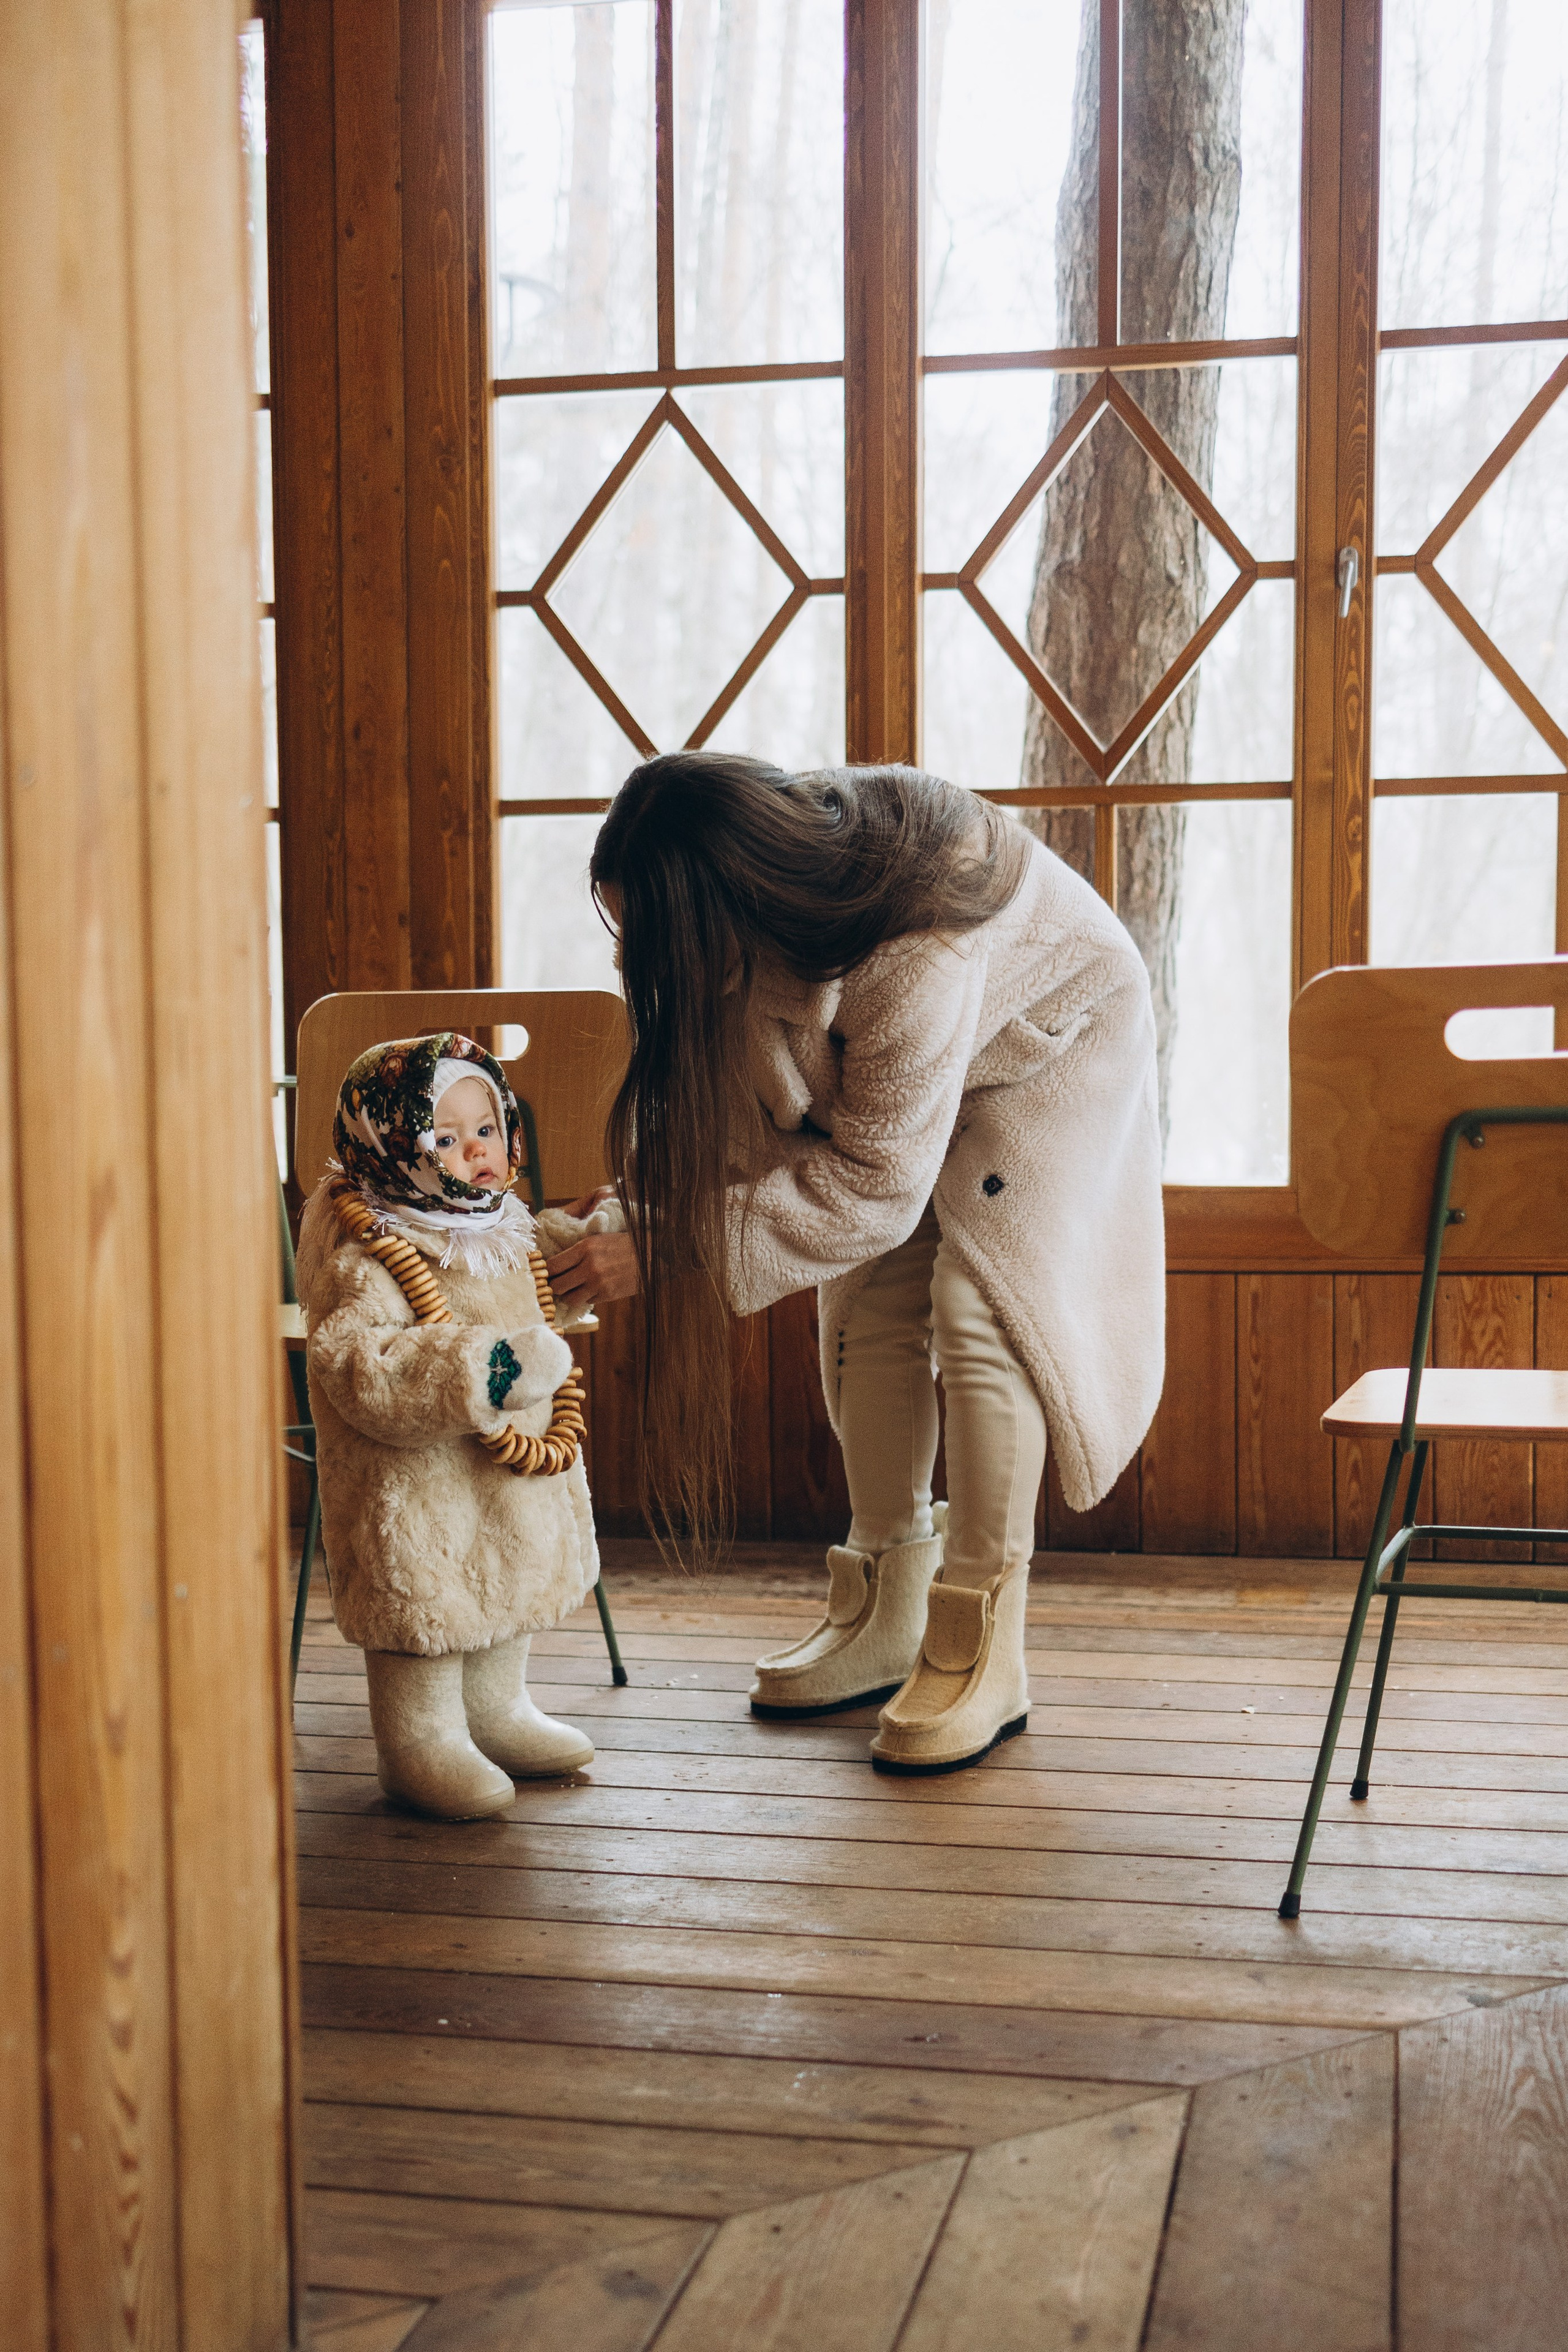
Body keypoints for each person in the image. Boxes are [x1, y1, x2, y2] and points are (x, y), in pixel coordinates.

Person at [545, 753, 1165, 1775]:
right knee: (870, 1297)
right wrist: (641, 1212)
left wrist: (671, 1249)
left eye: (645, 939)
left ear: (720, 912)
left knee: (983, 1310)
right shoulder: (762, 904)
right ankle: (884, 1608)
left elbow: (871, 1191)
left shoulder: (917, 941)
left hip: (1054, 1040)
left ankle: (980, 1649)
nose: (630, 967)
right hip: (916, 1074)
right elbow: (767, 1126)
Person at [296, 1032, 602, 1820]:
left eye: (487, 1128)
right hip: (416, 1479)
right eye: (445, 1137)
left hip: (502, 1468)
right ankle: (419, 1743)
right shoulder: (368, 1247)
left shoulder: (499, 1222)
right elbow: (360, 1363)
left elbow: (535, 1285)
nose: (475, 1150)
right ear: (393, 1143)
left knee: (505, 1568)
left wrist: (599, 1241)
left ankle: (496, 1712)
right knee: (425, 1595)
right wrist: (489, 1370)